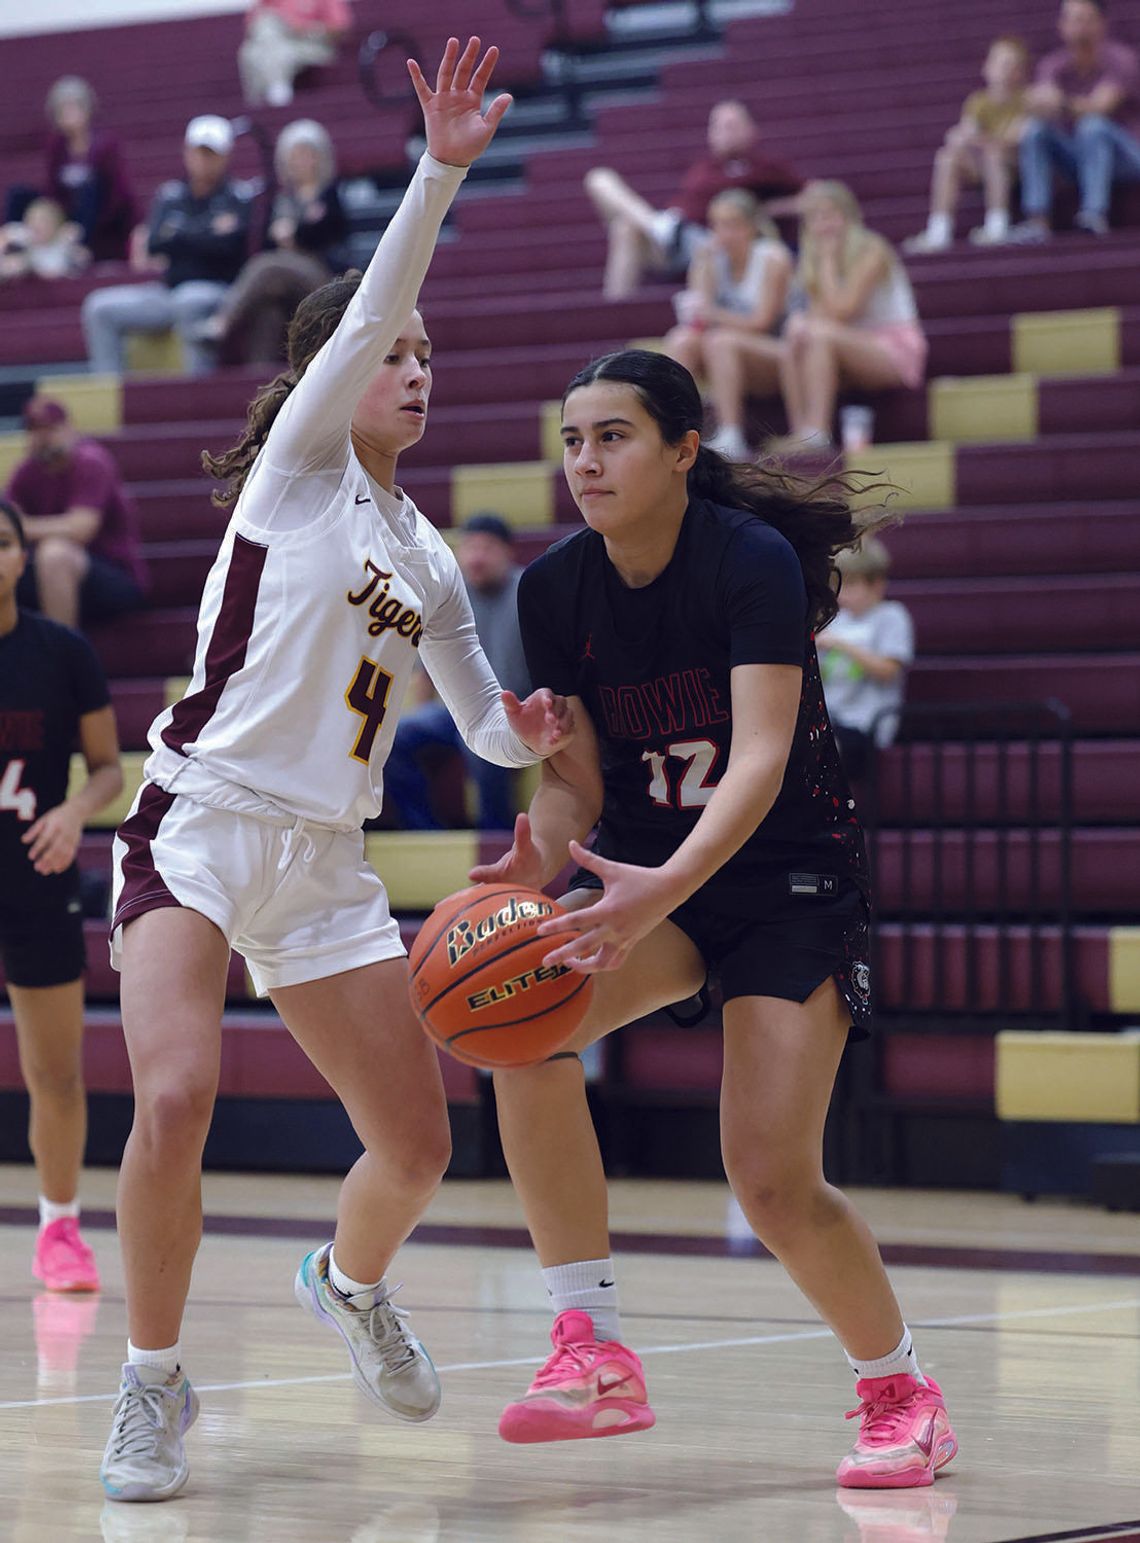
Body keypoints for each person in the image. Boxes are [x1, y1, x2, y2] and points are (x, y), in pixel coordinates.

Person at [96, 38, 572, 1507]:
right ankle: (151, 1387)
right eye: (399, 352)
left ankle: (347, 1281)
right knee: (175, 1097)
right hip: (201, 821)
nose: (417, 370)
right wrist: (437, 170)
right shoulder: (294, 473)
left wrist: (529, 738)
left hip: (325, 859)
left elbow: (479, 723)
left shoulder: (426, 553)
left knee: (421, 1142)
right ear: (341, 373)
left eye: (433, 357)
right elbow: (369, 301)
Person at [467, 348, 957, 1489]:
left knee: (771, 1177)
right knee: (514, 1022)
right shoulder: (553, 589)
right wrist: (528, 870)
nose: (586, 460)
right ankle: (590, 1349)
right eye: (573, 439)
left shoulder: (751, 561)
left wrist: (652, 891)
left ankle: (902, 1392)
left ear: (683, 448)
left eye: (614, 436)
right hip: (650, 870)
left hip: (787, 875)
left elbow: (762, 762)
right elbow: (578, 788)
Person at [0, 498, 124, 1296]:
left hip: (35, 878)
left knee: (56, 1070)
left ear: (20, 556)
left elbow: (111, 766)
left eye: (2, 540)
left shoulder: (62, 651)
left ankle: (60, 1228)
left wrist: (75, 811)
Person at [384, 513, 531, 831]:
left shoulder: (528, 592)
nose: (477, 557)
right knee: (392, 738)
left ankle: (495, 833)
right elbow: (425, 671)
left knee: (483, 742)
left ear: (508, 552)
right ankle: (423, 832)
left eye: (487, 548)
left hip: (512, 710)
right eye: (471, 548)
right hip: (452, 712)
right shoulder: (449, 593)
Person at [81, 117, 252, 378]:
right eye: (198, 153)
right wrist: (207, 233)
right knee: (98, 307)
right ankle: (108, 392)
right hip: (168, 290)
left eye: (211, 154)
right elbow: (155, 242)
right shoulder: (170, 194)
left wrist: (181, 235)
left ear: (226, 156)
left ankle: (197, 394)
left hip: (218, 290)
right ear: (186, 153)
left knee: (190, 300)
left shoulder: (239, 196)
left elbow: (230, 247)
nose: (203, 161)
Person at [584, 100, 802, 299]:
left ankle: (661, 228)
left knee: (628, 225)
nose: (724, 132)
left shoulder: (765, 168)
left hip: (709, 241)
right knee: (605, 191)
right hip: (676, 231)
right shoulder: (705, 166)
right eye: (717, 126)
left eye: (732, 125)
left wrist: (766, 209)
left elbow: (810, 198)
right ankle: (615, 305)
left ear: (751, 130)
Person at [775, 182, 927, 452]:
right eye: (815, 218)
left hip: (893, 347)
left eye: (830, 215)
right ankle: (801, 430)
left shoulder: (871, 250)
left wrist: (829, 262)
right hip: (849, 343)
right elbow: (819, 313)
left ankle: (818, 432)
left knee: (818, 335)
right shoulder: (813, 258)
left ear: (849, 216)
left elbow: (843, 310)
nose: (823, 225)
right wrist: (800, 321)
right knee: (794, 334)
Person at [197, 119, 351, 365]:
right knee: (269, 309)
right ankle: (260, 382)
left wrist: (296, 234)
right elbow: (267, 241)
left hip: (321, 274)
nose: (301, 162)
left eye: (307, 154)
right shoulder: (279, 199)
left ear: (320, 157)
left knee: (267, 266)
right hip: (284, 277)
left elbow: (331, 236)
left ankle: (223, 321)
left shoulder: (331, 195)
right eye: (295, 155)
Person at [663, 189, 793, 461]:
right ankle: (677, 432)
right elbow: (697, 318)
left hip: (782, 353)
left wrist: (713, 314)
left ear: (751, 226)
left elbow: (762, 322)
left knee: (721, 341)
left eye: (731, 224)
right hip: (728, 350)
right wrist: (702, 265)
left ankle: (732, 434)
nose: (723, 233)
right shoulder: (713, 259)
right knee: (682, 339)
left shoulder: (772, 257)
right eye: (716, 225)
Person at [6, 398, 147, 632]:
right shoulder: (27, 472)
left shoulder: (90, 461)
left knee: (55, 554)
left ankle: (64, 661)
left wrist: (23, 527)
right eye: (34, 429)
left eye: (50, 428)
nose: (43, 437)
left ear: (70, 428)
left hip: (113, 574)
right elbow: (7, 523)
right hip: (49, 578)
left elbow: (81, 529)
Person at [1012, 0, 1140, 239]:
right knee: (1036, 130)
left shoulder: (1121, 60)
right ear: (1061, 25)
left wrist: (1060, 103)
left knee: (1093, 126)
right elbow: (1040, 103)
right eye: (1073, 19)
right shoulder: (1052, 65)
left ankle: (1094, 213)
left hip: (1127, 155)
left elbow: (1100, 106)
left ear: (1102, 23)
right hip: (1078, 157)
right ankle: (1037, 219)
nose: (1079, 27)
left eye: (1086, 19)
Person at [904, 36, 1030, 252]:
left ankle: (997, 225)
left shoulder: (1026, 100)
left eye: (1010, 64)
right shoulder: (978, 101)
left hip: (1016, 167)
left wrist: (978, 140)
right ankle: (939, 229)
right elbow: (964, 134)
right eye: (999, 63)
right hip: (984, 164)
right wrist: (968, 139)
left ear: (1020, 72)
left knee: (994, 153)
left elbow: (1015, 139)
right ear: (987, 67)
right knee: (948, 156)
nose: (1004, 70)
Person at [818, 539, 915, 782]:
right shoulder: (834, 621)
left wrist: (840, 645)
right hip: (828, 717)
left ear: (877, 585)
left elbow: (888, 670)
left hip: (866, 723)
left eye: (851, 585)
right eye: (838, 585)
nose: (842, 594)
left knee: (827, 748)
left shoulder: (892, 616)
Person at [239, 0, 352, 108]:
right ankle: (260, 99)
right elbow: (253, 24)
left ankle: (277, 94)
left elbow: (339, 29)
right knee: (250, 51)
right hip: (276, 43)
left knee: (280, 52)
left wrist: (304, 29)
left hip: (312, 44)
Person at [0, 198, 89, 283]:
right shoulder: (19, 234)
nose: (36, 225)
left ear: (57, 224)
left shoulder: (64, 245)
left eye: (43, 221)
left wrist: (28, 262)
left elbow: (53, 272)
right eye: (32, 220)